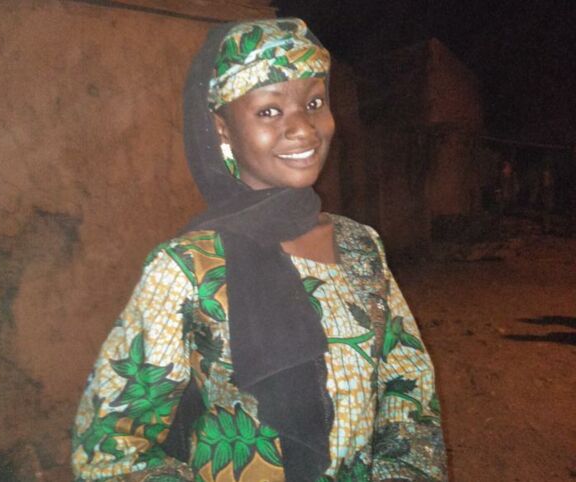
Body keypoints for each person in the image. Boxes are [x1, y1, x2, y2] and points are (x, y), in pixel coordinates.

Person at [71, 18, 447, 482]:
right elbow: (109, 447)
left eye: (314, 103)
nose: (304, 129)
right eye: (270, 111)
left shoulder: (360, 246)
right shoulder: (187, 268)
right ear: (222, 129)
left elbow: (409, 392)